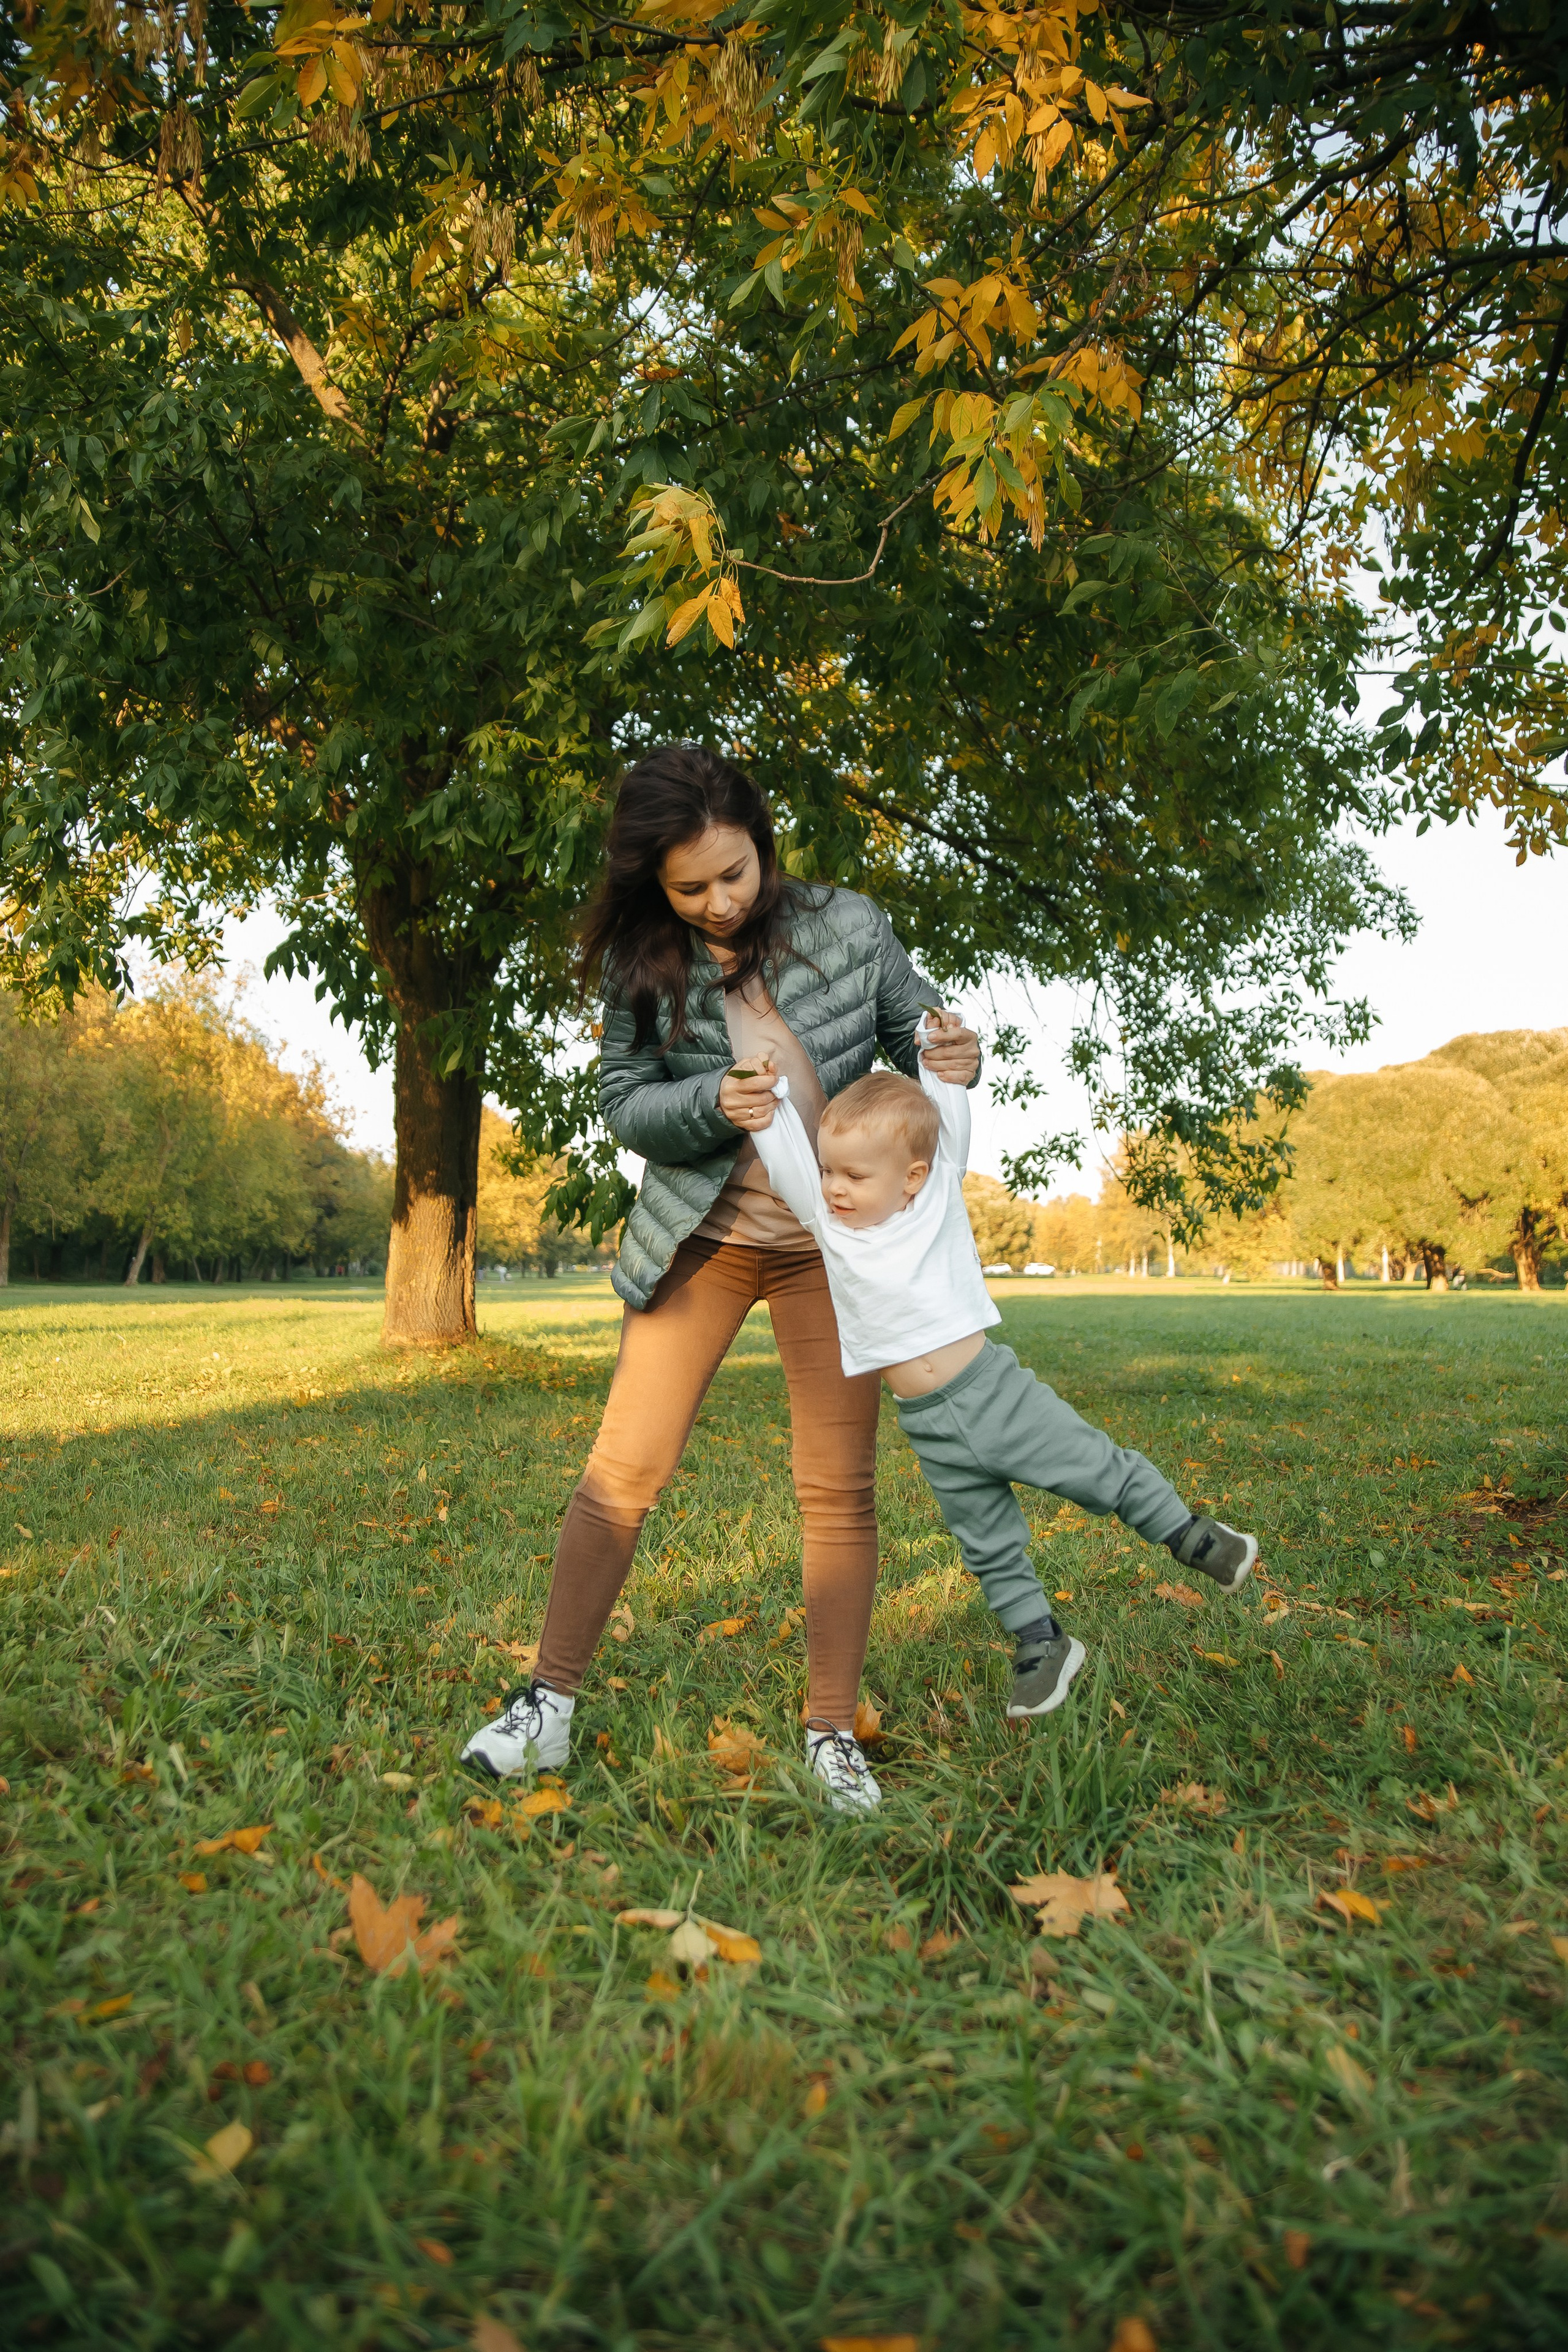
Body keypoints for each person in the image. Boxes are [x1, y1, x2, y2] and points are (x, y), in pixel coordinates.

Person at [459, 744, 980, 1812]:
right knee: (622, 1471)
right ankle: (546, 1707)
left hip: (830, 1257)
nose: (717, 902)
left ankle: (832, 1732)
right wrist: (710, 1104)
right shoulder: (644, 959)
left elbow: (917, 1035)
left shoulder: (850, 924)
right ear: (653, 880)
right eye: (689, 886)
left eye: (733, 874)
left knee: (838, 1490)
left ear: (763, 846)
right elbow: (623, 1100)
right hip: (700, 1238)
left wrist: (954, 1053)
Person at [749, 1049, 1259, 1718]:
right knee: (985, 1540)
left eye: (852, 1174)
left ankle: (1194, 1537)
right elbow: (788, 1166)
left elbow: (946, 1123)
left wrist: (937, 1065)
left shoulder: (934, 1203)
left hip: (995, 1395)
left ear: (911, 1178)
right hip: (929, 1423)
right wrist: (768, 1110)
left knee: (1096, 1473)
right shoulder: (829, 1226)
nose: (835, 1187)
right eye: (828, 1171)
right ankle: (1041, 1645)